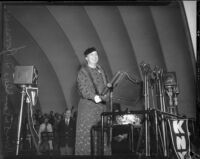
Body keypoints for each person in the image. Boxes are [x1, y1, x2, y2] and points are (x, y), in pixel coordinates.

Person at [75, 47, 110, 155]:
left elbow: (106, 87)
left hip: (101, 109)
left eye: (96, 54)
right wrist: (94, 97)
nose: (95, 57)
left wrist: (108, 94)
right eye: (91, 55)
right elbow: (83, 88)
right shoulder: (83, 72)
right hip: (88, 109)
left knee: (102, 137)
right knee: (87, 137)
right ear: (86, 58)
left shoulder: (101, 70)